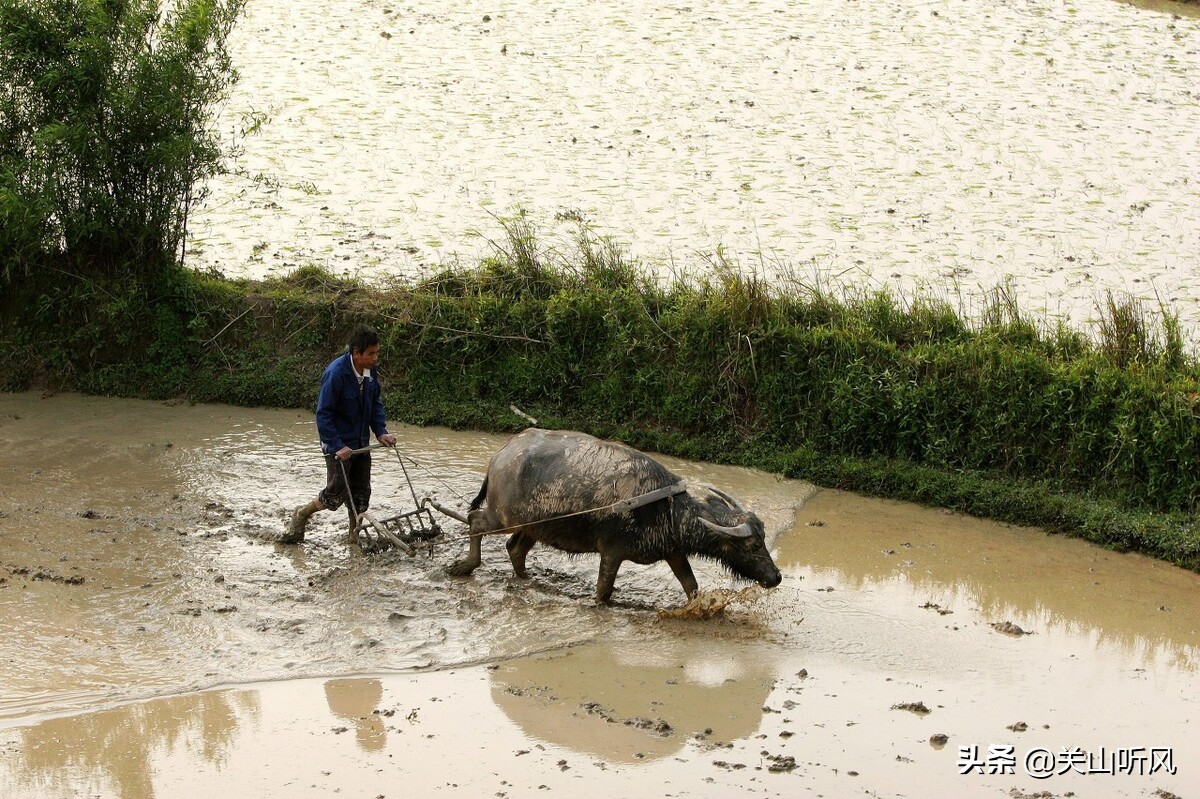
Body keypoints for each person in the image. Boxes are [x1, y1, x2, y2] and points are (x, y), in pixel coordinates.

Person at [283, 324, 397, 544]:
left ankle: (353, 537)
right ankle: (302, 513)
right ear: (356, 353)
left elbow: (374, 403)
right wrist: (337, 445)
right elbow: (324, 415)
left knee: (361, 495)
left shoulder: (369, 371)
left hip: (360, 442)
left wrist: (381, 432)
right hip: (338, 444)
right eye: (371, 353)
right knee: (335, 494)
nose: (375, 358)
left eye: (377, 353)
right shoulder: (336, 374)